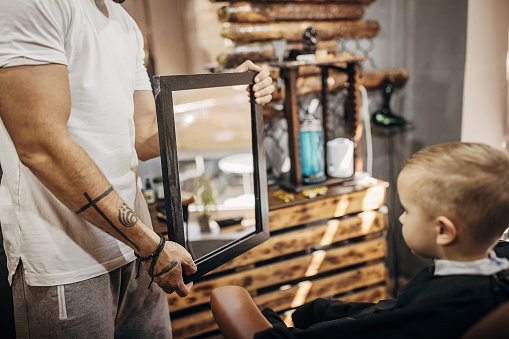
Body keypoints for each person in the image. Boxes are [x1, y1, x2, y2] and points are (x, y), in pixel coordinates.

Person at [0, 0, 274, 337]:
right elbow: (41, 146)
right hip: (66, 262)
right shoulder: (32, 3)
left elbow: (145, 137)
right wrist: (150, 245)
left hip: (136, 255)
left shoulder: (124, 23)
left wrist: (231, 95)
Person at [252, 142, 509, 338]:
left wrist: (270, 326)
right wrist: (327, 310)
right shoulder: (497, 265)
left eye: (407, 210)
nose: (401, 219)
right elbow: (389, 310)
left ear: (443, 230)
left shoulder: (439, 307)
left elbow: (373, 329)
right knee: (319, 309)